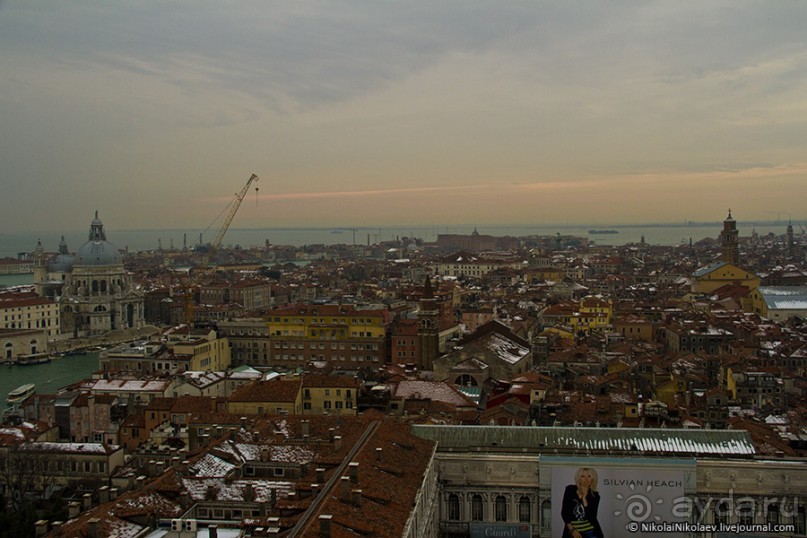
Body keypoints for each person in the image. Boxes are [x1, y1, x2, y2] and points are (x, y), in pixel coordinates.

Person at [561, 467, 604, 538]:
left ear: (592, 479)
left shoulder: (595, 496)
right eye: (583, 476)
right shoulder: (570, 490)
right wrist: (572, 530)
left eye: (589, 476)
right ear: (578, 478)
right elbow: (564, 513)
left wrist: (584, 499)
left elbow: (592, 517)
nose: (586, 479)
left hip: (591, 532)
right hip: (572, 531)